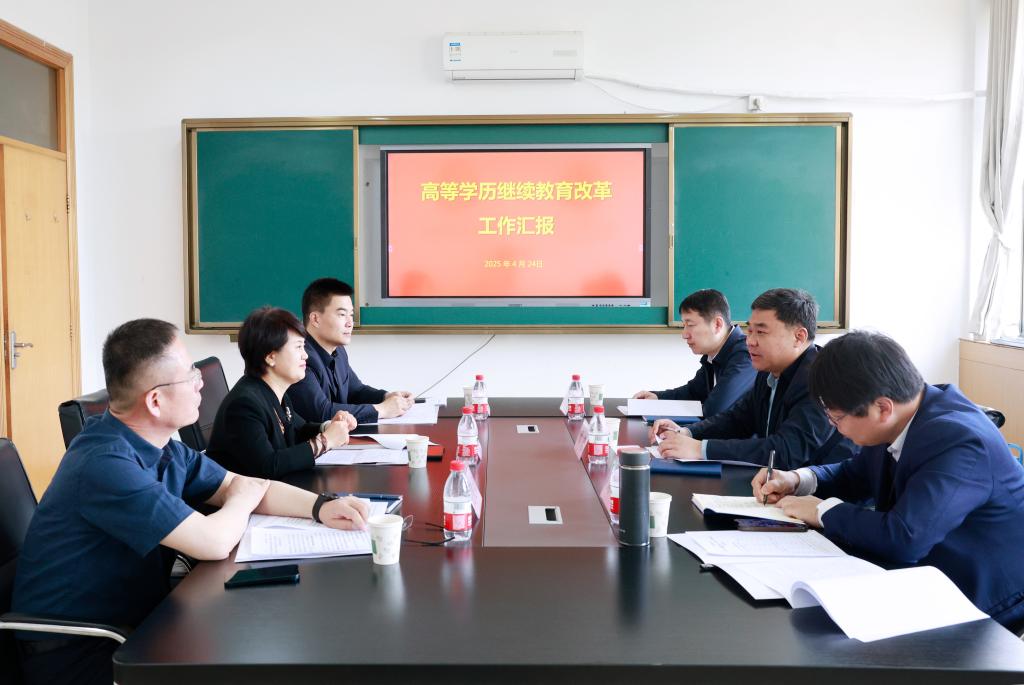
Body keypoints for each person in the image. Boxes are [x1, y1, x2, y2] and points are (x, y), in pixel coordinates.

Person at [12, 319, 370, 685]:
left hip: (145, 621)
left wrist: (322, 507)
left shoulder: (163, 446)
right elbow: (214, 540)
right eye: (190, 375)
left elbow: (245, 485)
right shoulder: (105, 464)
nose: (200, 382)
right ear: (155, 401)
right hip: (84, 652)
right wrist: (242, 498)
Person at [753, 330, 1024, 632]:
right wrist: (797, 479)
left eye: (836, 419)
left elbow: (905, 538)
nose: (836, 428)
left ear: (882, 408)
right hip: (923, 573)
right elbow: (855, 475)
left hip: (982, 596)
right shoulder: (905, 414)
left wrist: (820, 510)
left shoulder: (959, 440)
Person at [651, 288, 854, 468]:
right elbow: (737, 419)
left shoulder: (821, 380)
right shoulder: (768, 370)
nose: (750, 341)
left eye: (761, 332)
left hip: (823, 492)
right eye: (750, 331)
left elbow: (786, 452)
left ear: (798, 337)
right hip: (778, 484)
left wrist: (700, 449)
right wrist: (687, 432)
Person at [206, 307, 355, 478]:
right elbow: (268, 466)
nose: (305, 356)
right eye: (298, 347)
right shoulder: (244, 405)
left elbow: (298, 430)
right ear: (270, 357)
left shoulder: (275, 390)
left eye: (304, 347)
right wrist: (325, 441)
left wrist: (328, 427)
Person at [286, 278, 414, 424]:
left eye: (351, 315)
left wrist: (386, 397)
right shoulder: (300, 357)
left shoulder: (339, 351)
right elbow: (321, 412)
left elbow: (356, 391)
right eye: (342, 314)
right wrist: (382, 410)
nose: (350, 323)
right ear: (315, 319)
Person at [632, 289, 755, 418]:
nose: (684, 335)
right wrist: (658, 397)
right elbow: (694, 392)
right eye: (683, 326)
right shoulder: (714, 354)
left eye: (690, 325)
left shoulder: (745, 355)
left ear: (717, 324)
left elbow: (715, 410)